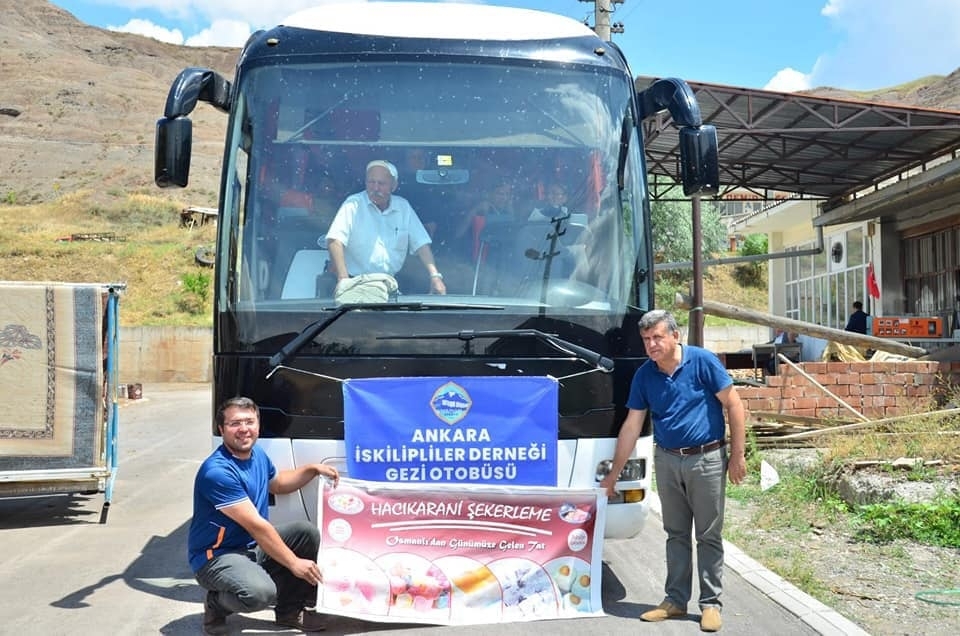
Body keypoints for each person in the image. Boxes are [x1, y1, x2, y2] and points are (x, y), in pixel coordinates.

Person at [599, 310, 747, 633]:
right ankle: (676, 600)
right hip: (667, 461)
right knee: (676, 534)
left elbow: (734, 404)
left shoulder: (702, 362)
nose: (651, 345)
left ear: (675, 336)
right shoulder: (645, 375)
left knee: (708, 534)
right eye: (646, 339)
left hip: (706, 459)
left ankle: (710, 604)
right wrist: (613, 474)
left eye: (657, 337)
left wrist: (737, 455)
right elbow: (631, 426)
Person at [188, 396, 340, 634]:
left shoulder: (257, 454)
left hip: (251, 546)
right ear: (222, 429)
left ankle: (289, 612)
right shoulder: (217, 472)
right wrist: (294, 563)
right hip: (217, 556)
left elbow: (277, 484)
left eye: (249, 421)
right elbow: (257, 526)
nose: (244, 429)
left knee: (305, 533)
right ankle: (216, 603)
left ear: (258, 425)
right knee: (260, 594)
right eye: (235, 423)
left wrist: (311, 469)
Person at [326, 160, 446, 296]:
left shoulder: (403, 207)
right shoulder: (353, 204)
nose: (375, 188)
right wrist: (343, 279)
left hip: (391, 286)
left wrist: (435, 276)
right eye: (371, 182)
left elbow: (421, 243)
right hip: (357, 285)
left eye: (381, 183)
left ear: (393, 186)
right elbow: (334, 240)